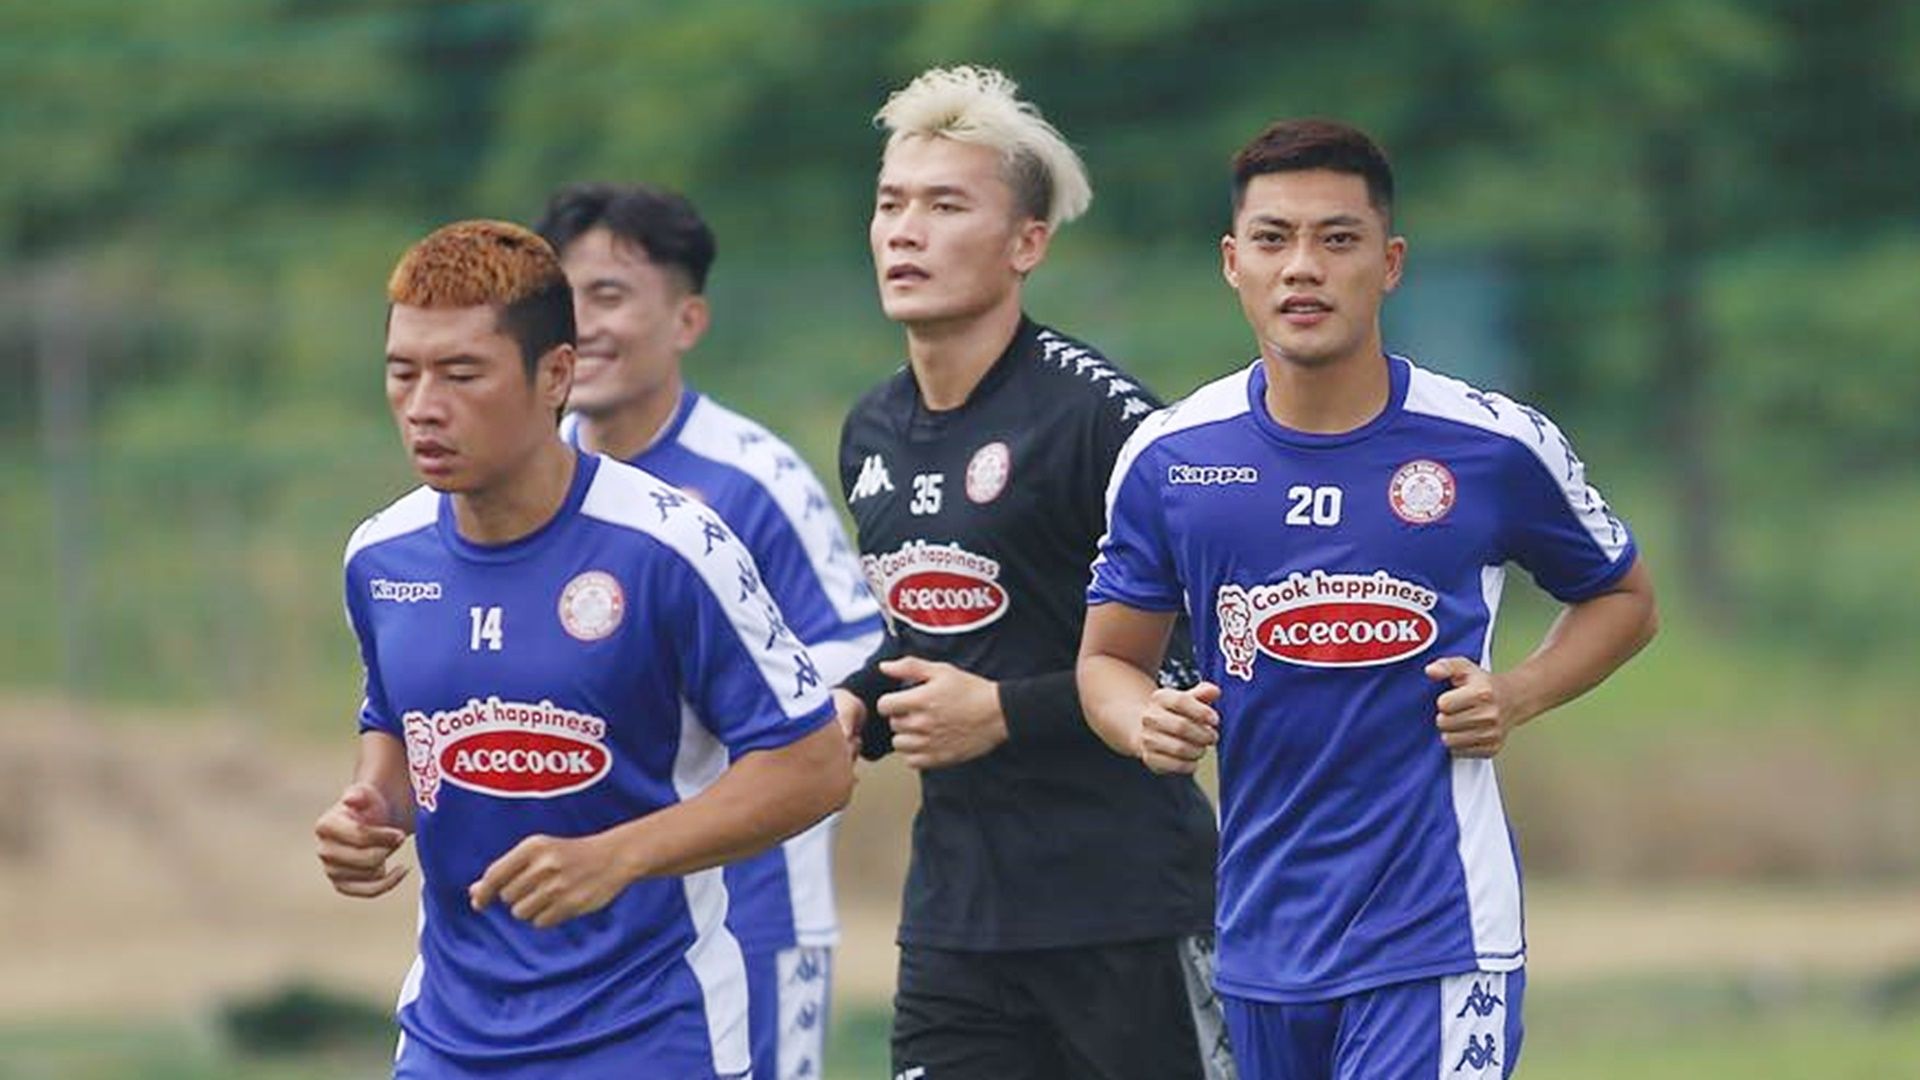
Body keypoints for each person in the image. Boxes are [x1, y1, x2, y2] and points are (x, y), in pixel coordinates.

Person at [1078, 119, 1659, 1079]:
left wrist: (1516, 694)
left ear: (1389, 264)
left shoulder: (1490, 445)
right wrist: (1144, 721)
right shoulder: (1171, 457)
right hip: (1261, 938)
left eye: (1337, 239)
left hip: (1437, 931)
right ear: (1232, 262)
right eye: (1273, 239)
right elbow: (1108, 661)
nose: (1302, 267)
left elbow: (1624, 598)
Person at [313, 219, 853, 1079]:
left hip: (651, 1037)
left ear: (555, 375)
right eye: (402, 372)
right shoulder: (382, 558)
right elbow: (396, 723)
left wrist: (618, 857)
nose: (423, 406)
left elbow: (814, 766)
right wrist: (372, 810)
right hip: (450, 1041)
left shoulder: (671, 547)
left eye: (462, 374)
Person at [832, 65, 1232, 1080]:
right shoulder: (871, 431)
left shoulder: (1102, 421)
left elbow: (1208, 648)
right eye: (891, 204)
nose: (906, 232)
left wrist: (1007, 713)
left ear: (1027, 244)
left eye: (945, 206)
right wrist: (856, 707)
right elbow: (938, 638)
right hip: (957, 924)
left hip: (1127, 913)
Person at [533, 182, 884, 1080]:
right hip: (582, 923)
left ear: (687, 319)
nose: (585, 325)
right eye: (567, 299)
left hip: (750, 908)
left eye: (611, 295)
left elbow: (858, 649)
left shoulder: (753, 478)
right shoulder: (528, 483)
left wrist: (710, 712)